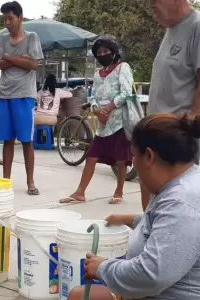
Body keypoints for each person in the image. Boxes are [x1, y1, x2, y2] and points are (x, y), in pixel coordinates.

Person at [68, 112, 200, 300]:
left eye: (134, 156)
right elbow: (163, 223)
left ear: (149, 156)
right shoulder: (181, 181)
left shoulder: (181, 202)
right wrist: (130, 219)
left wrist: (102, 268)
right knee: (79, 296)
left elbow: (151, 275)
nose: (133, 164)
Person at [59, 36, 133, 205]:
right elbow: (93, 96)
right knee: (91, 157)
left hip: (119, 121)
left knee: (121, 160)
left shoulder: (123, 68)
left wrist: (108, 109)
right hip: (102, 124)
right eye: (99, 52)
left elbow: (126, 93)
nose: (102, 54)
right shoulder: (98, 74)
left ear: (113, 52)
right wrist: (95, 109)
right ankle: (80, 193)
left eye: (106, 51)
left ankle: (119, 191)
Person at [142, 0, 200, 210]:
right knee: (155, 206)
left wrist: (190, 123)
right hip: (159, 136)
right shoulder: (170, 30)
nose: (149, 4)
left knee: (178, 208)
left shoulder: (196, 26)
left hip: (177, 140)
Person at [0, 1, 44, 195]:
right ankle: (6, 181)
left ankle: (30, 182)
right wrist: (19, 58)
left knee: (26, 140)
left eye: (10, 18)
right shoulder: (2, 40)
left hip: (24, 95)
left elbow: (33, 64)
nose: (7, 22)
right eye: (5, 19)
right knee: (7, 140)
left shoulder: (32, 37)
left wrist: (10, 58)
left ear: (20, 18)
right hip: (4, 94)